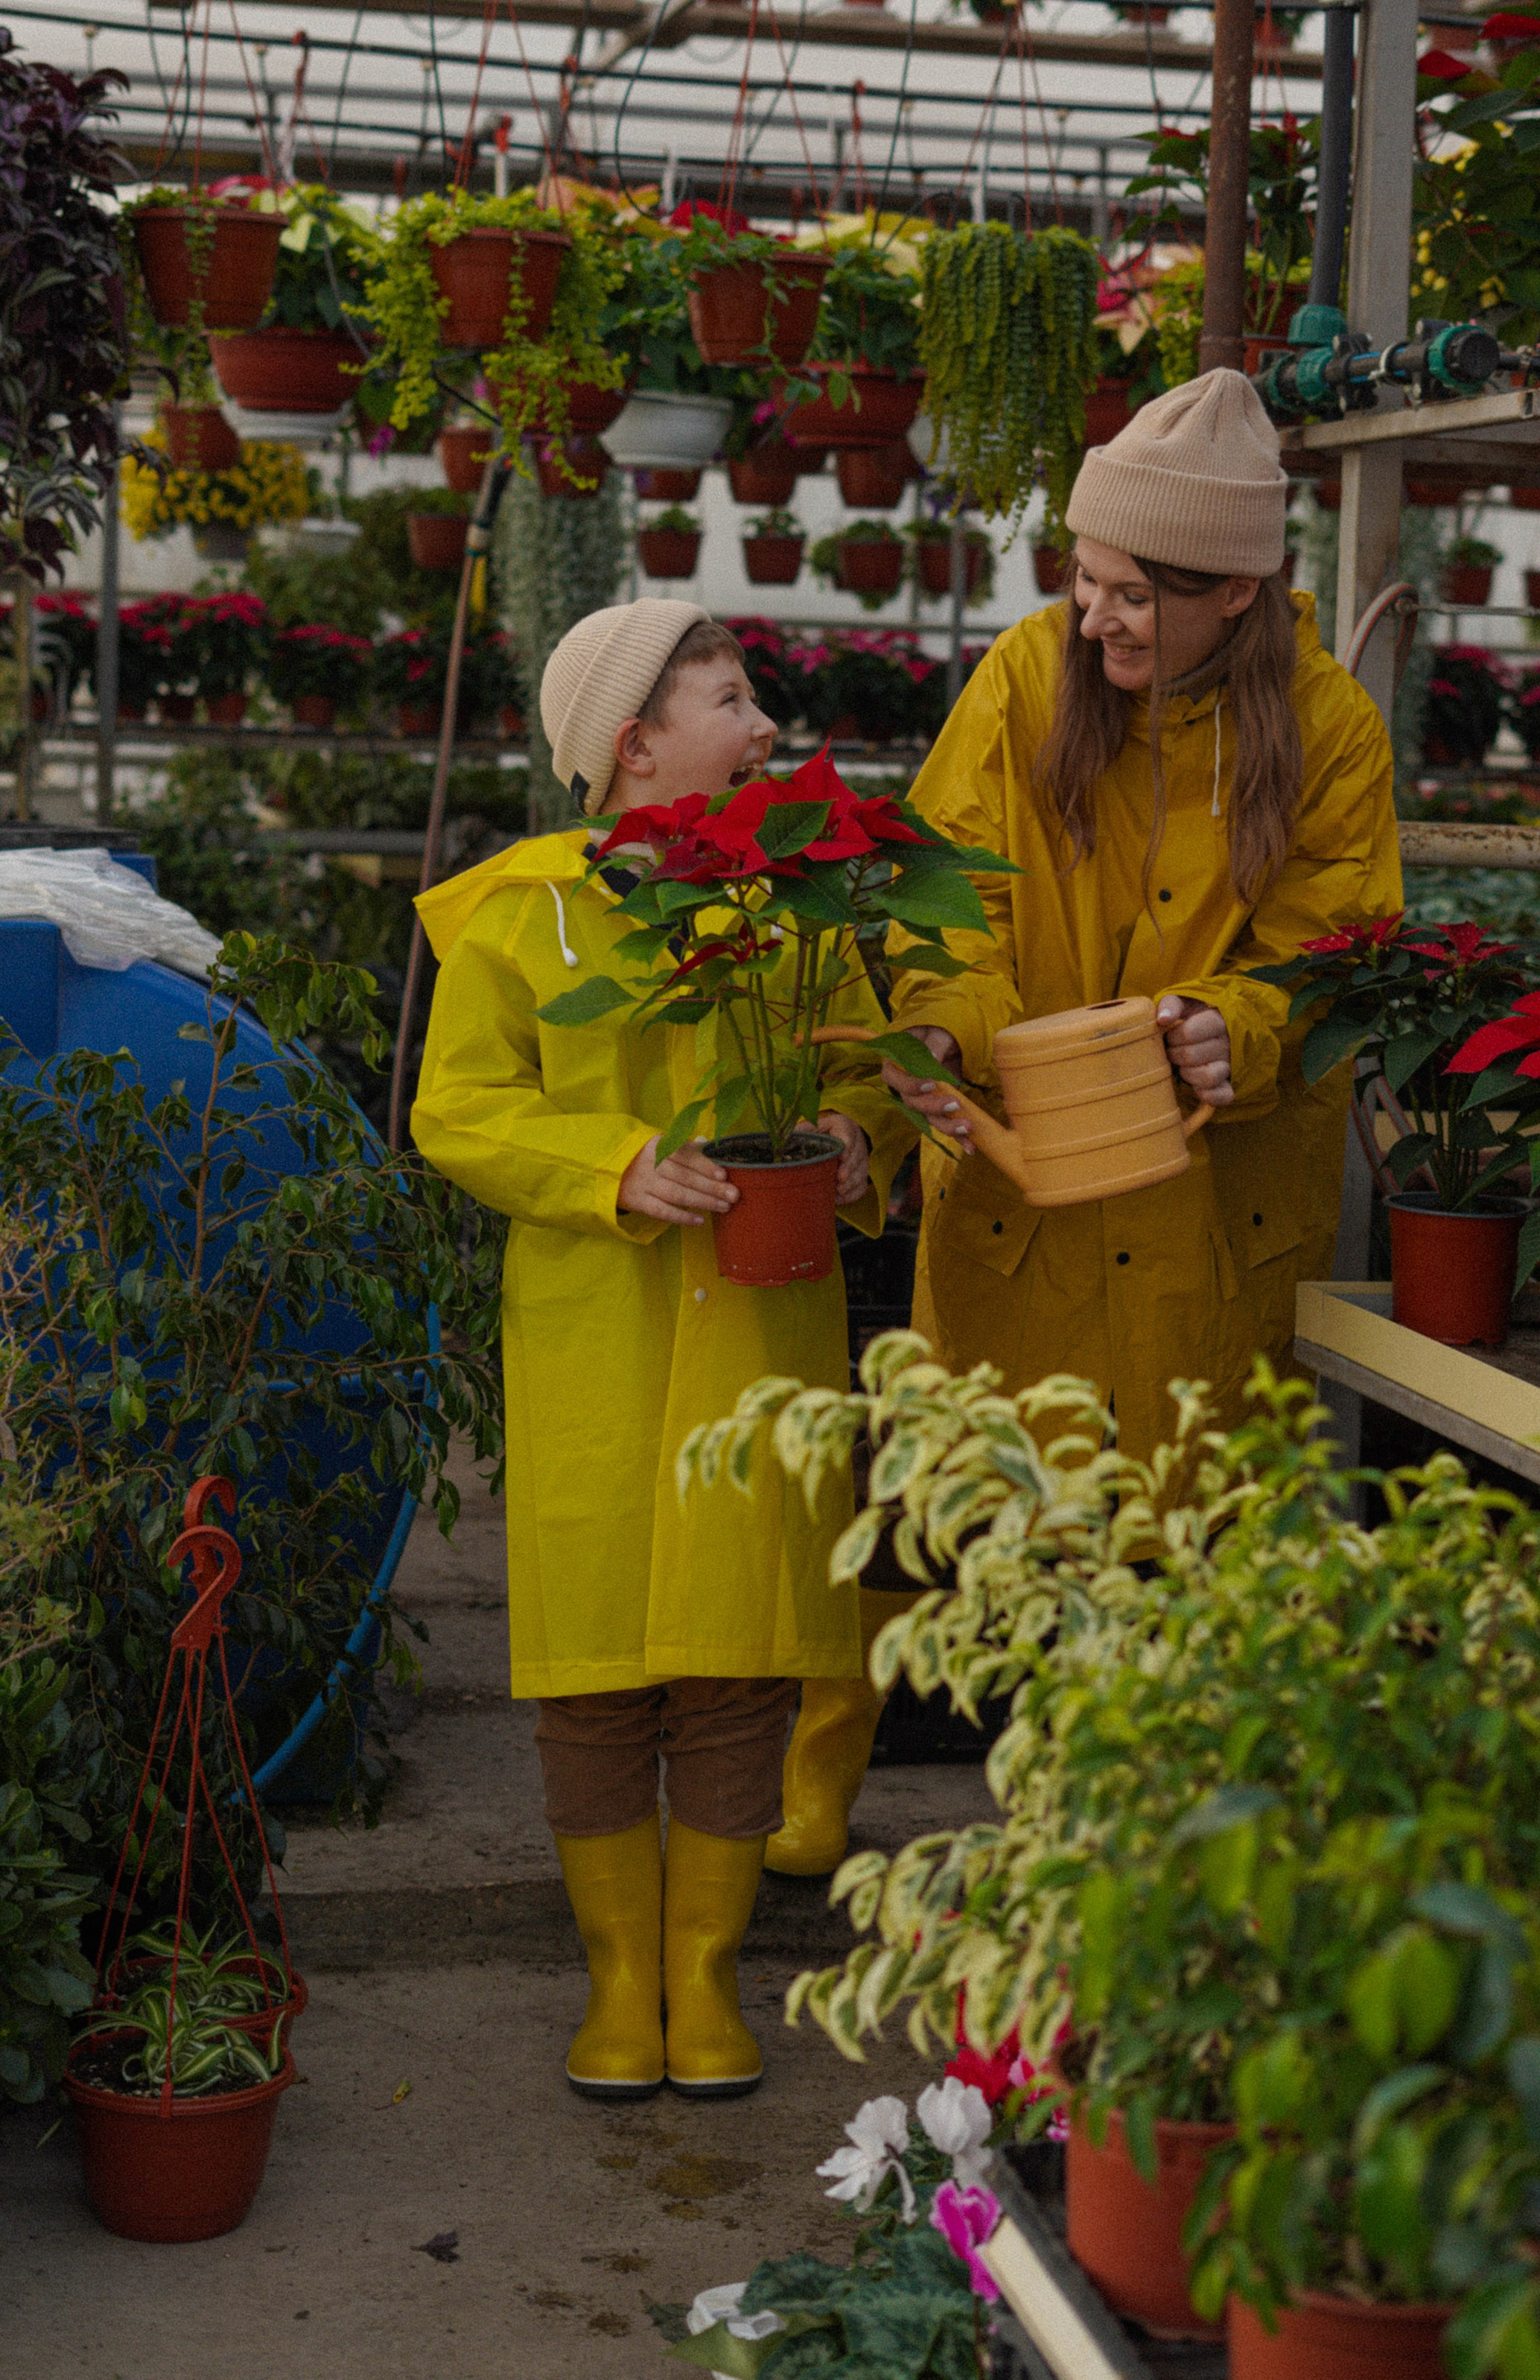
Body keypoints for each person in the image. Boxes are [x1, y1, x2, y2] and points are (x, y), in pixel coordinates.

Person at [766, 367, 1402, 1879]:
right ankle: (818, 1780)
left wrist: (1230, 1026)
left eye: (1134, 598)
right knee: (936, 1495)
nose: (1094, 619)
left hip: (1206, 1195)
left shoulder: (1325, 731)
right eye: (1083, 580)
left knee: (1183, 1530)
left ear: (1236, 594)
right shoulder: (1020, 680)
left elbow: (1338, 951)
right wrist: (939, 1024)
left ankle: (1147, 1842)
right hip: (1017, 1169)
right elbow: (938, 894)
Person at [410, 600, 910, 2095]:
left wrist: (851, 1134)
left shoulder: (795, 907)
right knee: (598, 1676)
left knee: (738, 1665)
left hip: (762, 1332)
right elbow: (459, 1111)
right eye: (731, 699)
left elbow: (863, 1075)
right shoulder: (517, 913)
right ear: (634, 748)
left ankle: (704, 1982)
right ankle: (620, 1984)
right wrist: (618, 1164)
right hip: (598, 1348)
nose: (764, 728)